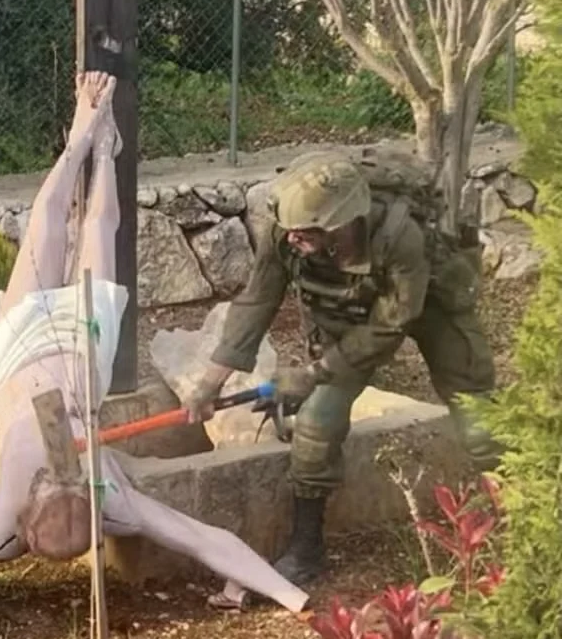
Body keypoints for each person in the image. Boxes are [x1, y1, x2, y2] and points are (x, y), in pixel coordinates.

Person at [0, 71, 309, 617]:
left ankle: (87, 140)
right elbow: (205, 539)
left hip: (18, 352)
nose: (61, 473)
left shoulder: (19, 527)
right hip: (79, 350)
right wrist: (294, 598)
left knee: (49, 227)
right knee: (95, 229)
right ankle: (97, 147)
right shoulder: (107, 507)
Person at [185, 148, 498, 595]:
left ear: (342, 223)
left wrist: (313, 372)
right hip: (350, 318)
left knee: (477, 414)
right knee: (316, 421)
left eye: (306, 231)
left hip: (429, 305)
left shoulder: (400, 236)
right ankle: (306, 549)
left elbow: (392, 323)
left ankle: (518, 515)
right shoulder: (285, 232)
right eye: (291, 229)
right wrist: (209, 383)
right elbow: (256, 301)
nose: (294, 237)